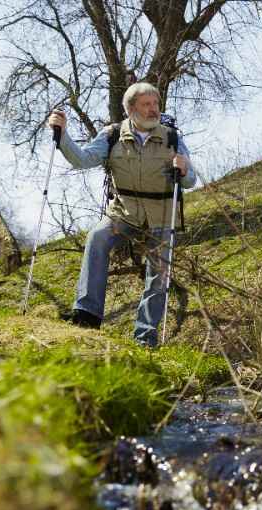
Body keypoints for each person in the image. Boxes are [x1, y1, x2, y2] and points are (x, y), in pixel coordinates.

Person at [46, 82, 197, 348]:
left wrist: (184, 170)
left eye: (156, 104)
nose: (153, 110)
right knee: (97, 238)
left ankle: (145, 337)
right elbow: (82, 159)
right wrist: (63, 135)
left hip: (162, 214)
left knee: (158, 274)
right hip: (124, 211)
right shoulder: (112, 135)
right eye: (146, 105)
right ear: (130, 109)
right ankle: (86, 315)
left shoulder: (172, 137)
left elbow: (190, 181)